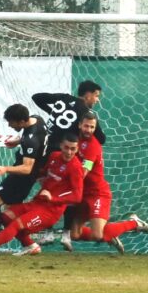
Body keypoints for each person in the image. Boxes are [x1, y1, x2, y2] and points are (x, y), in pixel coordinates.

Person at [0, 134, 84, 257]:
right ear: (61, 145)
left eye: (73, 149)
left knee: (16, 224)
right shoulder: (54, 156)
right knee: (6, 217)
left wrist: (53, 198)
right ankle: (30, 245)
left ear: (77, 149)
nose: (69, 152)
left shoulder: (76, 168)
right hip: (38, 202)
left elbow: (77, 196)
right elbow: (42, 173)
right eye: (66, 147)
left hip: (51, 210)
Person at [61, 112, 148, 254]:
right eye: (86, 126)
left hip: (97, 193)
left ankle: (134, 223)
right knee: (74, 234)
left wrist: (65, 182)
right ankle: (109, 235)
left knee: (97, 235)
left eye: (92, 127)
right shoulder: (74, 140)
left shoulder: (93, 146)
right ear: (79, 125)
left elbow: (85, 170)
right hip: (83, 193)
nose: (89, 130)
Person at [32, 80, 106, 245]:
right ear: (88, 94)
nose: (97, 100)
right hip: (58, 155)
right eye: (96, 95)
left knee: (49, 189)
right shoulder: (84, 111)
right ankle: (63, 233)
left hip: (43, 152)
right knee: (66, 192)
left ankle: (49, 232)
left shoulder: (64, 98)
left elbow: (36, 97)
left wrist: (54, 114)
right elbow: (101, 138)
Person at [0, 104, 48, 255]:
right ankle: (30, 245)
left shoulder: (30, 141)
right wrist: (18, 141)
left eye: (11, 122)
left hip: (22, 178)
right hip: (26, 176)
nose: (10, 125)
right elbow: (35, 137)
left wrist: (5, 168)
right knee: (9, 214)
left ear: (21, 122)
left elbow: (27, 168)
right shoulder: (37, 119)